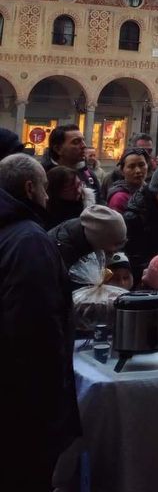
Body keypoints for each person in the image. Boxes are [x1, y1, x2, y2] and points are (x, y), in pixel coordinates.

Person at [0, 153, 81, 492]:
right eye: (45, 188)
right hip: (23, 399)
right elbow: (35, 325)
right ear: (30, 188)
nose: (48, 197)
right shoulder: (30, 239)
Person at [49, 204, 127, 275]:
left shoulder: (87, 235)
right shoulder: (64, 251)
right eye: (115, 244)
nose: (115, 252)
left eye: (120, 244)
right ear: (98, 240)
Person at [41, 123, 103, 204]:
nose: (84, 146)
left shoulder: (89, 175)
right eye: (76, 142)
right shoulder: (43, 176)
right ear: (58, 149)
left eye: (83, 140)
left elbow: (100, 202)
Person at [45, 165, 95, 229]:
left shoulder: (88, 206)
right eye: (70, 188)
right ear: (56, 191)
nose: (78, 191)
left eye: (79, 185)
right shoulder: (49, 217)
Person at [106, 148, 150, 214]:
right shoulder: (119, 198)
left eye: (141, 165)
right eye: (131, 166)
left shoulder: (149, 191)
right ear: (122, 171)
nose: (138, 170)